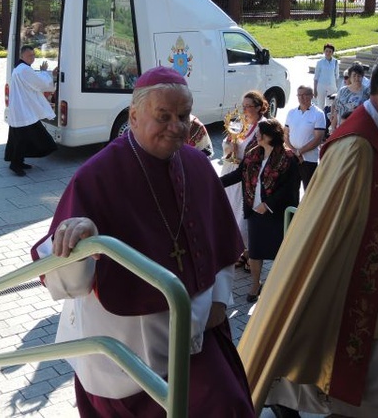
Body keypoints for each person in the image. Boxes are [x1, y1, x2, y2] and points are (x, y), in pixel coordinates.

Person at [238, 58, 378, 418]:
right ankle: (304, 398)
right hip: (346, 257)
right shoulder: (355, 140)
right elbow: (339, 203)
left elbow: (370, 185)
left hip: (376, 253)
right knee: (335, 332)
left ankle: (363, 403)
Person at [30, 66, 254, 417]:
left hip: (198, 332)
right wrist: (82, 244)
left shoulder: (196, 165)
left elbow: (222, 243)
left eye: (182, 116)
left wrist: (221, 303)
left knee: (228, 405)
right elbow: (63, 281)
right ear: (133, 116)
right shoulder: (97, 176)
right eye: (163, 116)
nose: (177, 127)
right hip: (127, 349)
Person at [221, 119, 300, 303]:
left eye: (259, 133)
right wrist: (216, 182)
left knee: (279, 252)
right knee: (255, 252)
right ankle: (255, 284)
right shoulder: (252, 155)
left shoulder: (288, 159)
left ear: (269, 136)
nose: (256, 135)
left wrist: (268, 204)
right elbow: (238, 174)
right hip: (254, 212)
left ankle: (280, 286)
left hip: (277, 214)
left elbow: (290, 188)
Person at [220, 91, 268, 272]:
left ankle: (250, 253)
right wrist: (229, 146)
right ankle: (241, 251)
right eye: (243, 105)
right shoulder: (241, 123)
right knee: (231, 211)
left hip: (247, 176)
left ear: (258, 107)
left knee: (243, 213)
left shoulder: (262, 127)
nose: (244, 109)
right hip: (231, 170)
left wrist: (240, 157)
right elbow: (227, 141)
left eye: (248, 106)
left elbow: (260, 154)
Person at [4, 45, 58, 176]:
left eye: (33, 55)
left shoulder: (21, 68)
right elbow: (41, 84)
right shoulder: (24, 70)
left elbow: (33, 81)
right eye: (29, 56)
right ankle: (15, 165)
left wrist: (42, 73)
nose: (32, 58)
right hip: (23, 111)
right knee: (24, 139)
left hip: (21, 109)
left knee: (20, 139)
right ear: (22, 56)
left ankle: (18, 162)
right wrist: (47, 72)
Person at [284, 85, 326, 189]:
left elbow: (317, 139)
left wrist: (300, 152)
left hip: (309, 160)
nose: (302, 98)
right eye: (299, 95)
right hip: (292, 157)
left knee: (309, 190)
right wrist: (295, 151)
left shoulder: (318, 114)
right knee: (291, 189)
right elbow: (286, 134)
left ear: (312, 96)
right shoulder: (291, 112)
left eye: (305, 95)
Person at [333, 62, 370, 130]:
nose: (356, 78)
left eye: (359, 76)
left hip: (358, 128)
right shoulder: (342, 91)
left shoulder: (367, 92)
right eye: (354, 75)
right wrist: (333, 127)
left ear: (362, 77)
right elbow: (337, 110)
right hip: (341, 127)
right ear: (350, 77)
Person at [313, 43, 339, 110]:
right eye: (326, 51)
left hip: (331, 86)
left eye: (330, 51)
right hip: (321, 86)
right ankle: (320, 119)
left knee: (330, 105)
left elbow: (337, 76)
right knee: (320, 104)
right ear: (324, 51)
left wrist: (336, 88)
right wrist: (315, 89)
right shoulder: (320, 62)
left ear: (332, 52)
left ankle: (328, 119)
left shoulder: (335, 62)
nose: (328, 53)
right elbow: (316, 77)